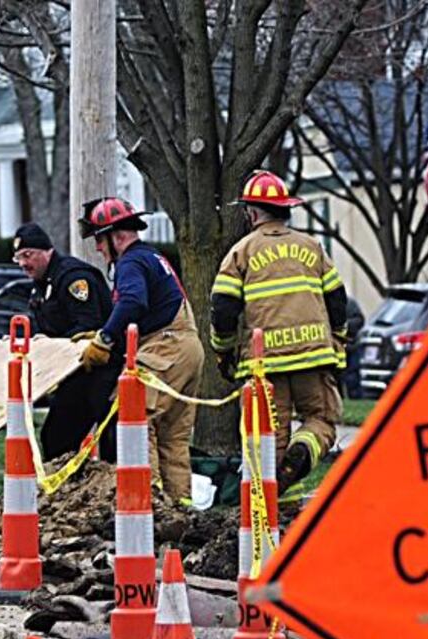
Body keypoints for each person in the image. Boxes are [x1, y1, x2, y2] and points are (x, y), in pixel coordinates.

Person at [210, 170, 349, 492]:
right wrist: (338, 338)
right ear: (285, 209)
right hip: (313, 356)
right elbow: (337, 299)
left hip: (264, 363)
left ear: (253, 212)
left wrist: (223, 351)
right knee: (322, 419)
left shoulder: (240, 252)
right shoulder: (312, 246)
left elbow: (223, 308)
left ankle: (273, 508)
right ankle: (303, 450)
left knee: (269, 435)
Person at [75, 197, 205, 502]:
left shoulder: (130, 261)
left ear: (116, 235)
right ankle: (179, 507)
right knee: (173, 435)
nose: (98, 248)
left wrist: (104, 339)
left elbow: (133, 302)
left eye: (99, 239)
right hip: (187, 347)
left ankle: (150, 500)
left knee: (133, 416)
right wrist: (106, 331)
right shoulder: (152, 257)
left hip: (165, 348)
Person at [12, 222, 118, 460]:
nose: (22, 264)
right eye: (17, 258)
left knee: (112, 439)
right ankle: (65, 491)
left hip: (99, 371)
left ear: (46, 251)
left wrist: (52, 345)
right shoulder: (41, 287)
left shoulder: (73, 278)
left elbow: (88, 326)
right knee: (55, 438)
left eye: (27, 255)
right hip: (72, 375)